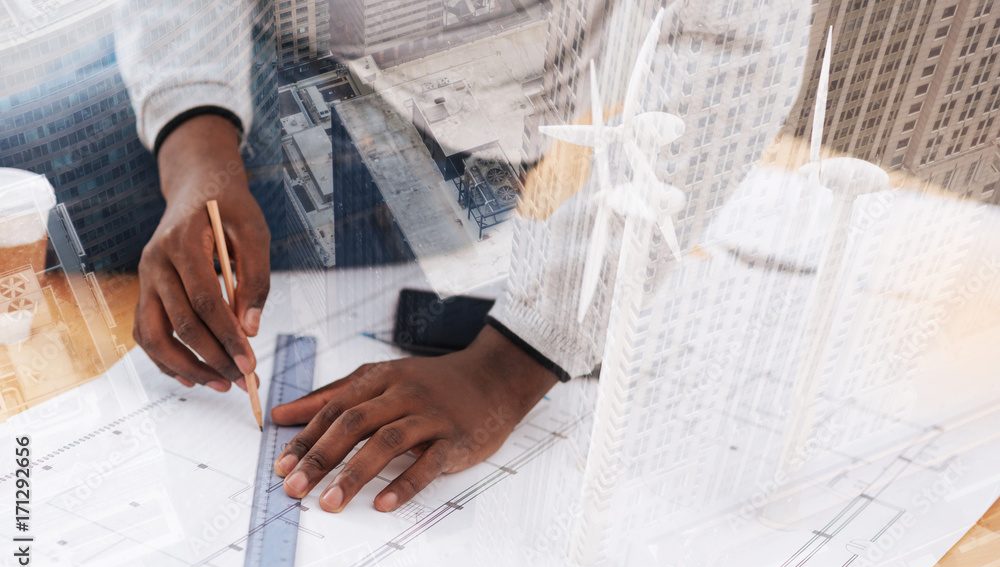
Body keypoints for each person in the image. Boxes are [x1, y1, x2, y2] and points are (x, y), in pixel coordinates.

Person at [117, 0, 809, 512]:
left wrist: (512, 364)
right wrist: (194, 147)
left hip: (439, 121)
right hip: (253, 32)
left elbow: (738, 42)